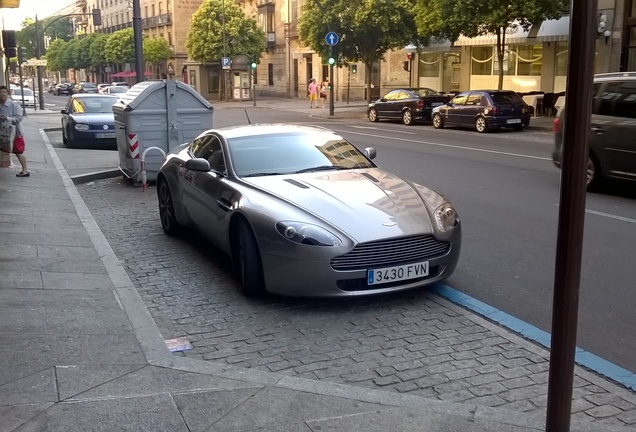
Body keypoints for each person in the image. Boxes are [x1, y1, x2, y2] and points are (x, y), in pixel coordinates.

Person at [0, 85, 29, 177]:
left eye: (4, 92)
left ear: (8, 94)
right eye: (0, 92)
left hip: (15, 132)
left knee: (18, 151)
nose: (2, 94)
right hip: (2, 132)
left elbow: (19, 117)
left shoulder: (13, 105)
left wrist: (7, 118)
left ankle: (25, 170)